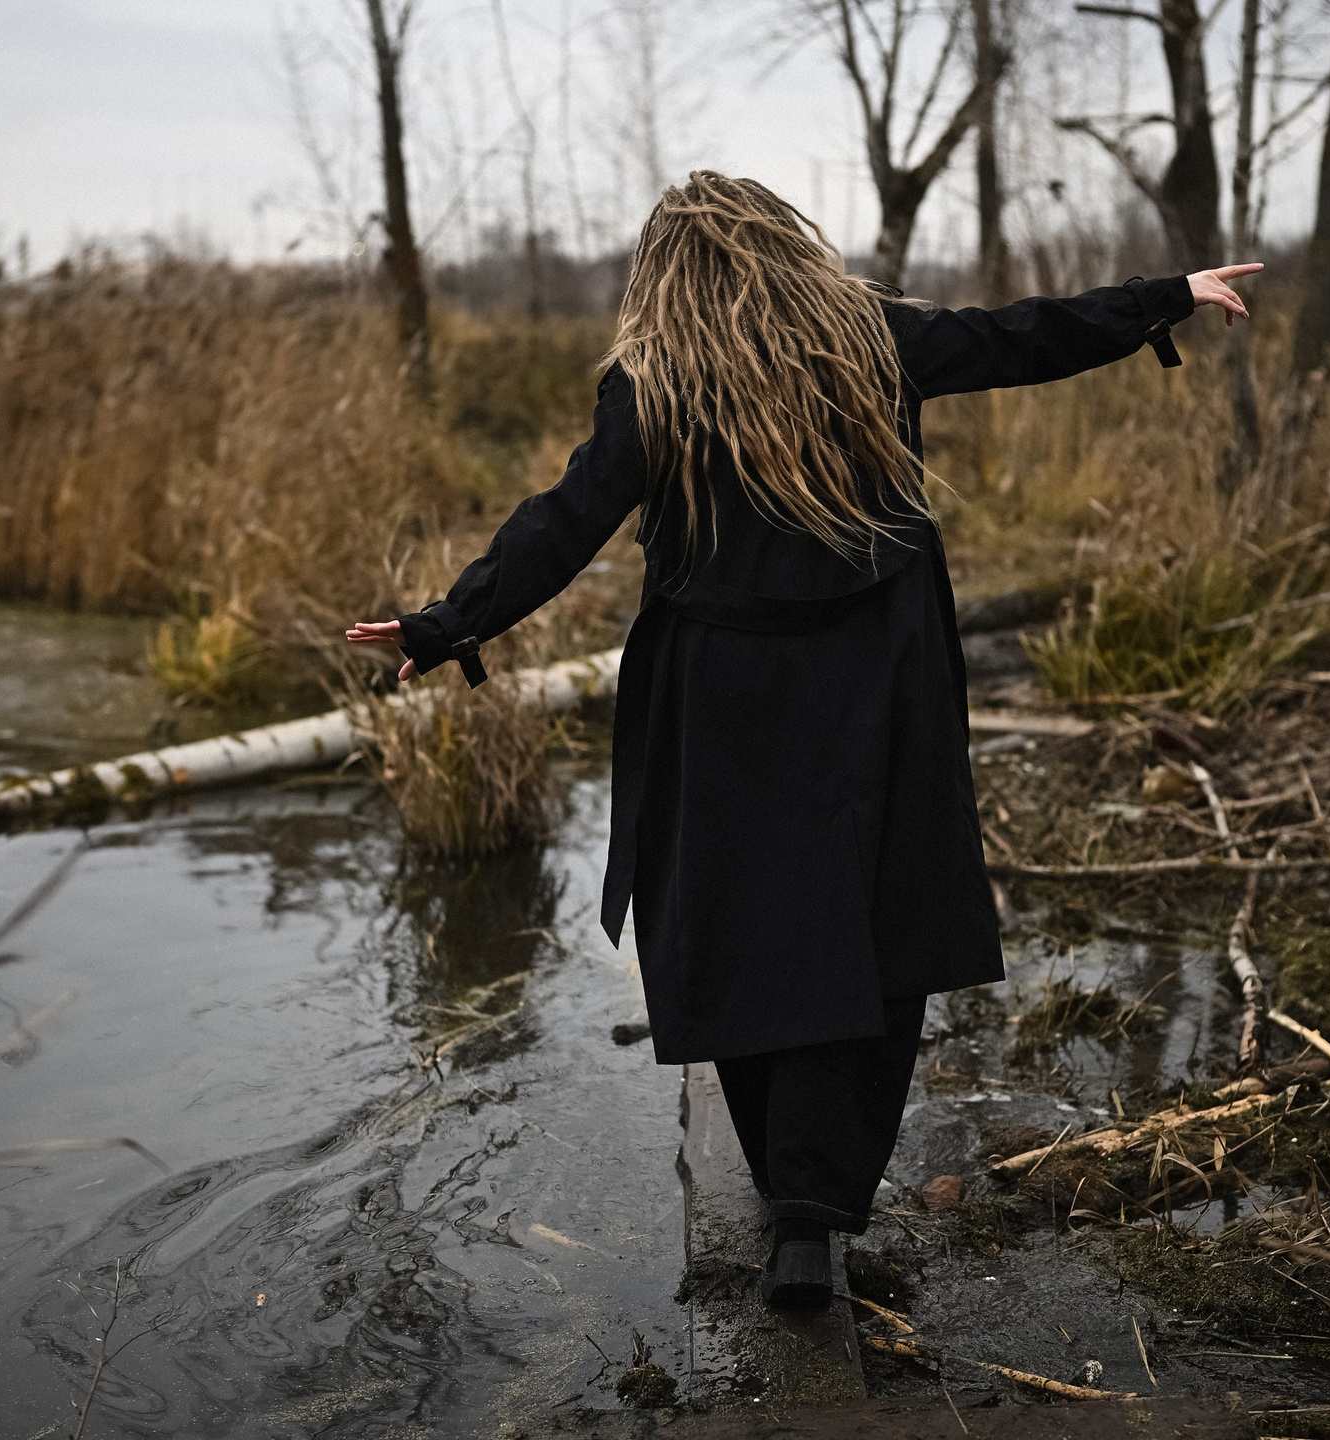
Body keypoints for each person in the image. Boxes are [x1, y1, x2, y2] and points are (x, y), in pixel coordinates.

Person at [349, 171, 1259, 1310]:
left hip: (721, 692)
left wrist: (448, 623)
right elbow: (1017, 338)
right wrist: (1164, 295)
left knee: (741, 921)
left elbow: (564, 519)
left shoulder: (655, 382)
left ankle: (792, 1200)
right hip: (876, 682)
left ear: (662, 277)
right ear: (788, 247)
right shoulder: (867, 339)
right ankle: (811, 1213)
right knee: (871, 917)